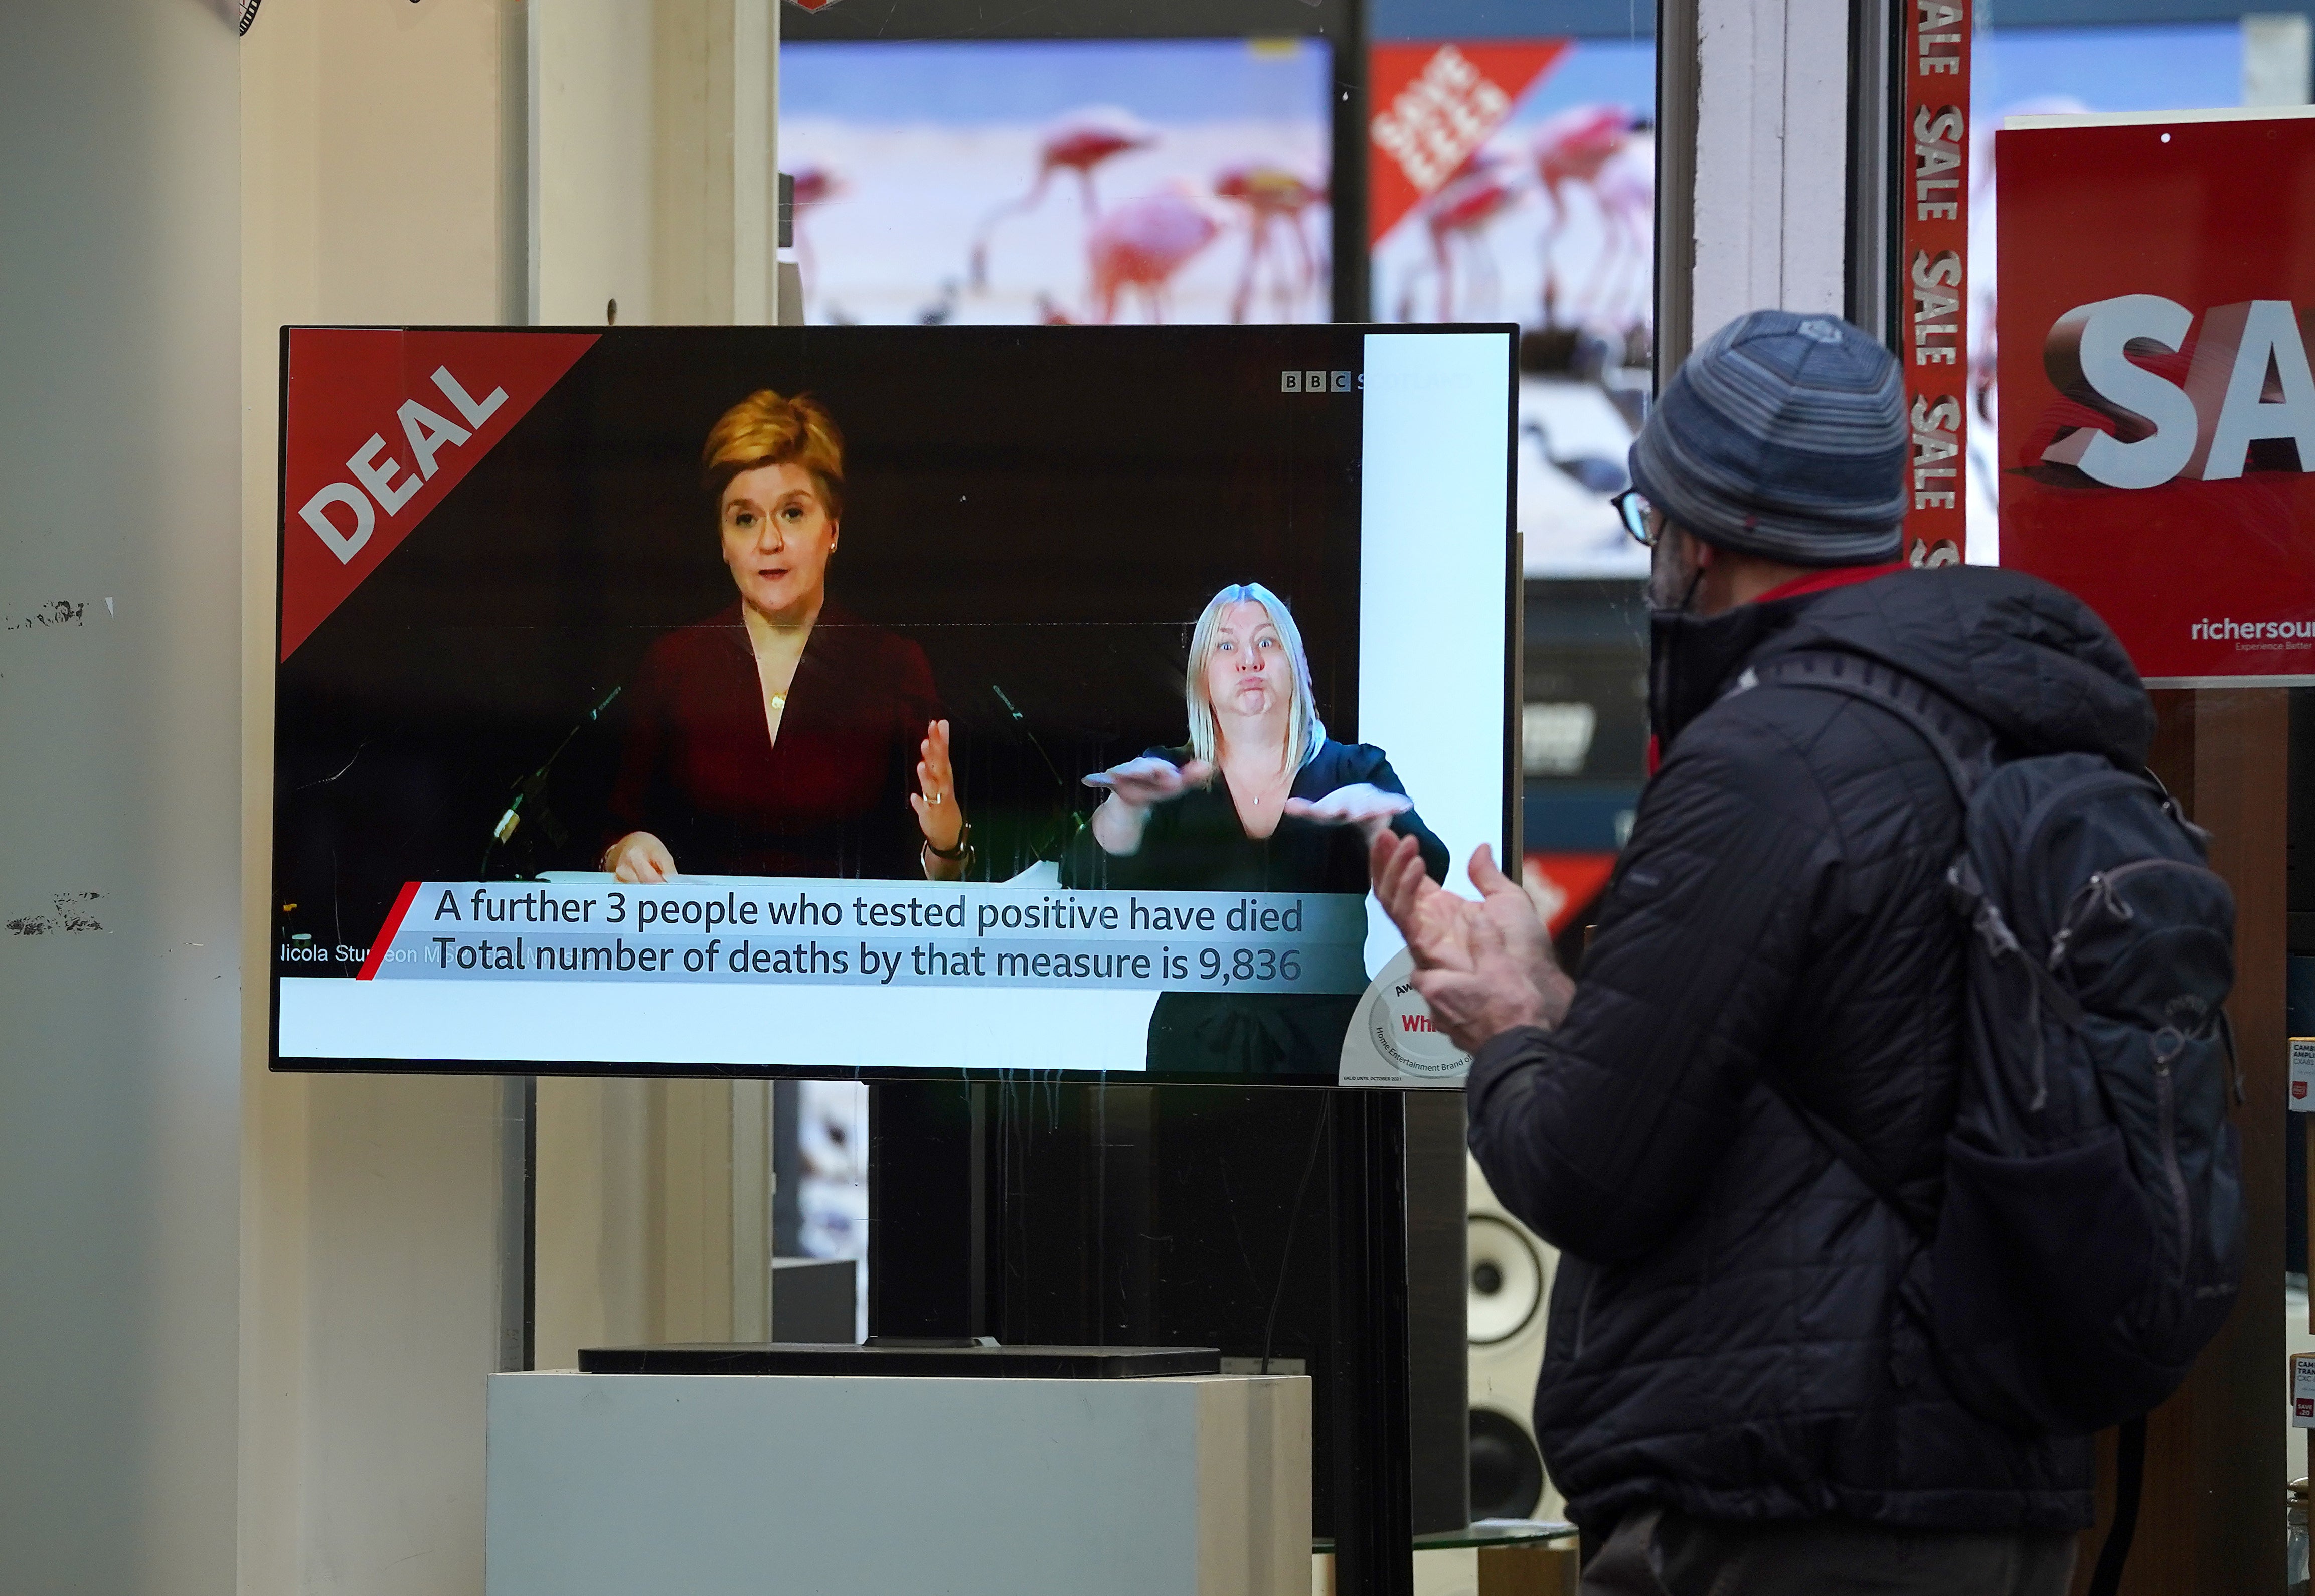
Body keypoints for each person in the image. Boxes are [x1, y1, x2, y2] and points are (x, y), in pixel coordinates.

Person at [1370, 311, 2143, 1594]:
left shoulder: (1766, 762)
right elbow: (1794, 1083)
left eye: (1646, 522)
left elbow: (1588, 1169)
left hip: (1798, 1498)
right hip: (1985, 1491)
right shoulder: (1988, 723)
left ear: (1695, 538)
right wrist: (1560, 993)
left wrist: (1503, 1022)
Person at [1064, 581, 1446, 1074]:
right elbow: (1083, 879)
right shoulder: (1168, 773)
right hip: (1193, 1051)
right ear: (1202, 676)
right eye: (1226, 645)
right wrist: (1127, 807)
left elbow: (1429, 878)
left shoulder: (1356, 768)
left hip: (1333, 1048)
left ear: (1296, 667)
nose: (1249, 660)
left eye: (1266, 642)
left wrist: (1377, 828)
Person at [602, 389, 970, 883]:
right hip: (698, 954)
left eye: (792, 512)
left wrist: (946, 843)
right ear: (723, 541)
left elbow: (935, 881)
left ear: (833, 528)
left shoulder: (894, 665)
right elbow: (610, 832)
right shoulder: (673, 663)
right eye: (745, 518)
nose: (768, 541)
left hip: (849, 955)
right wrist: (624, 848)